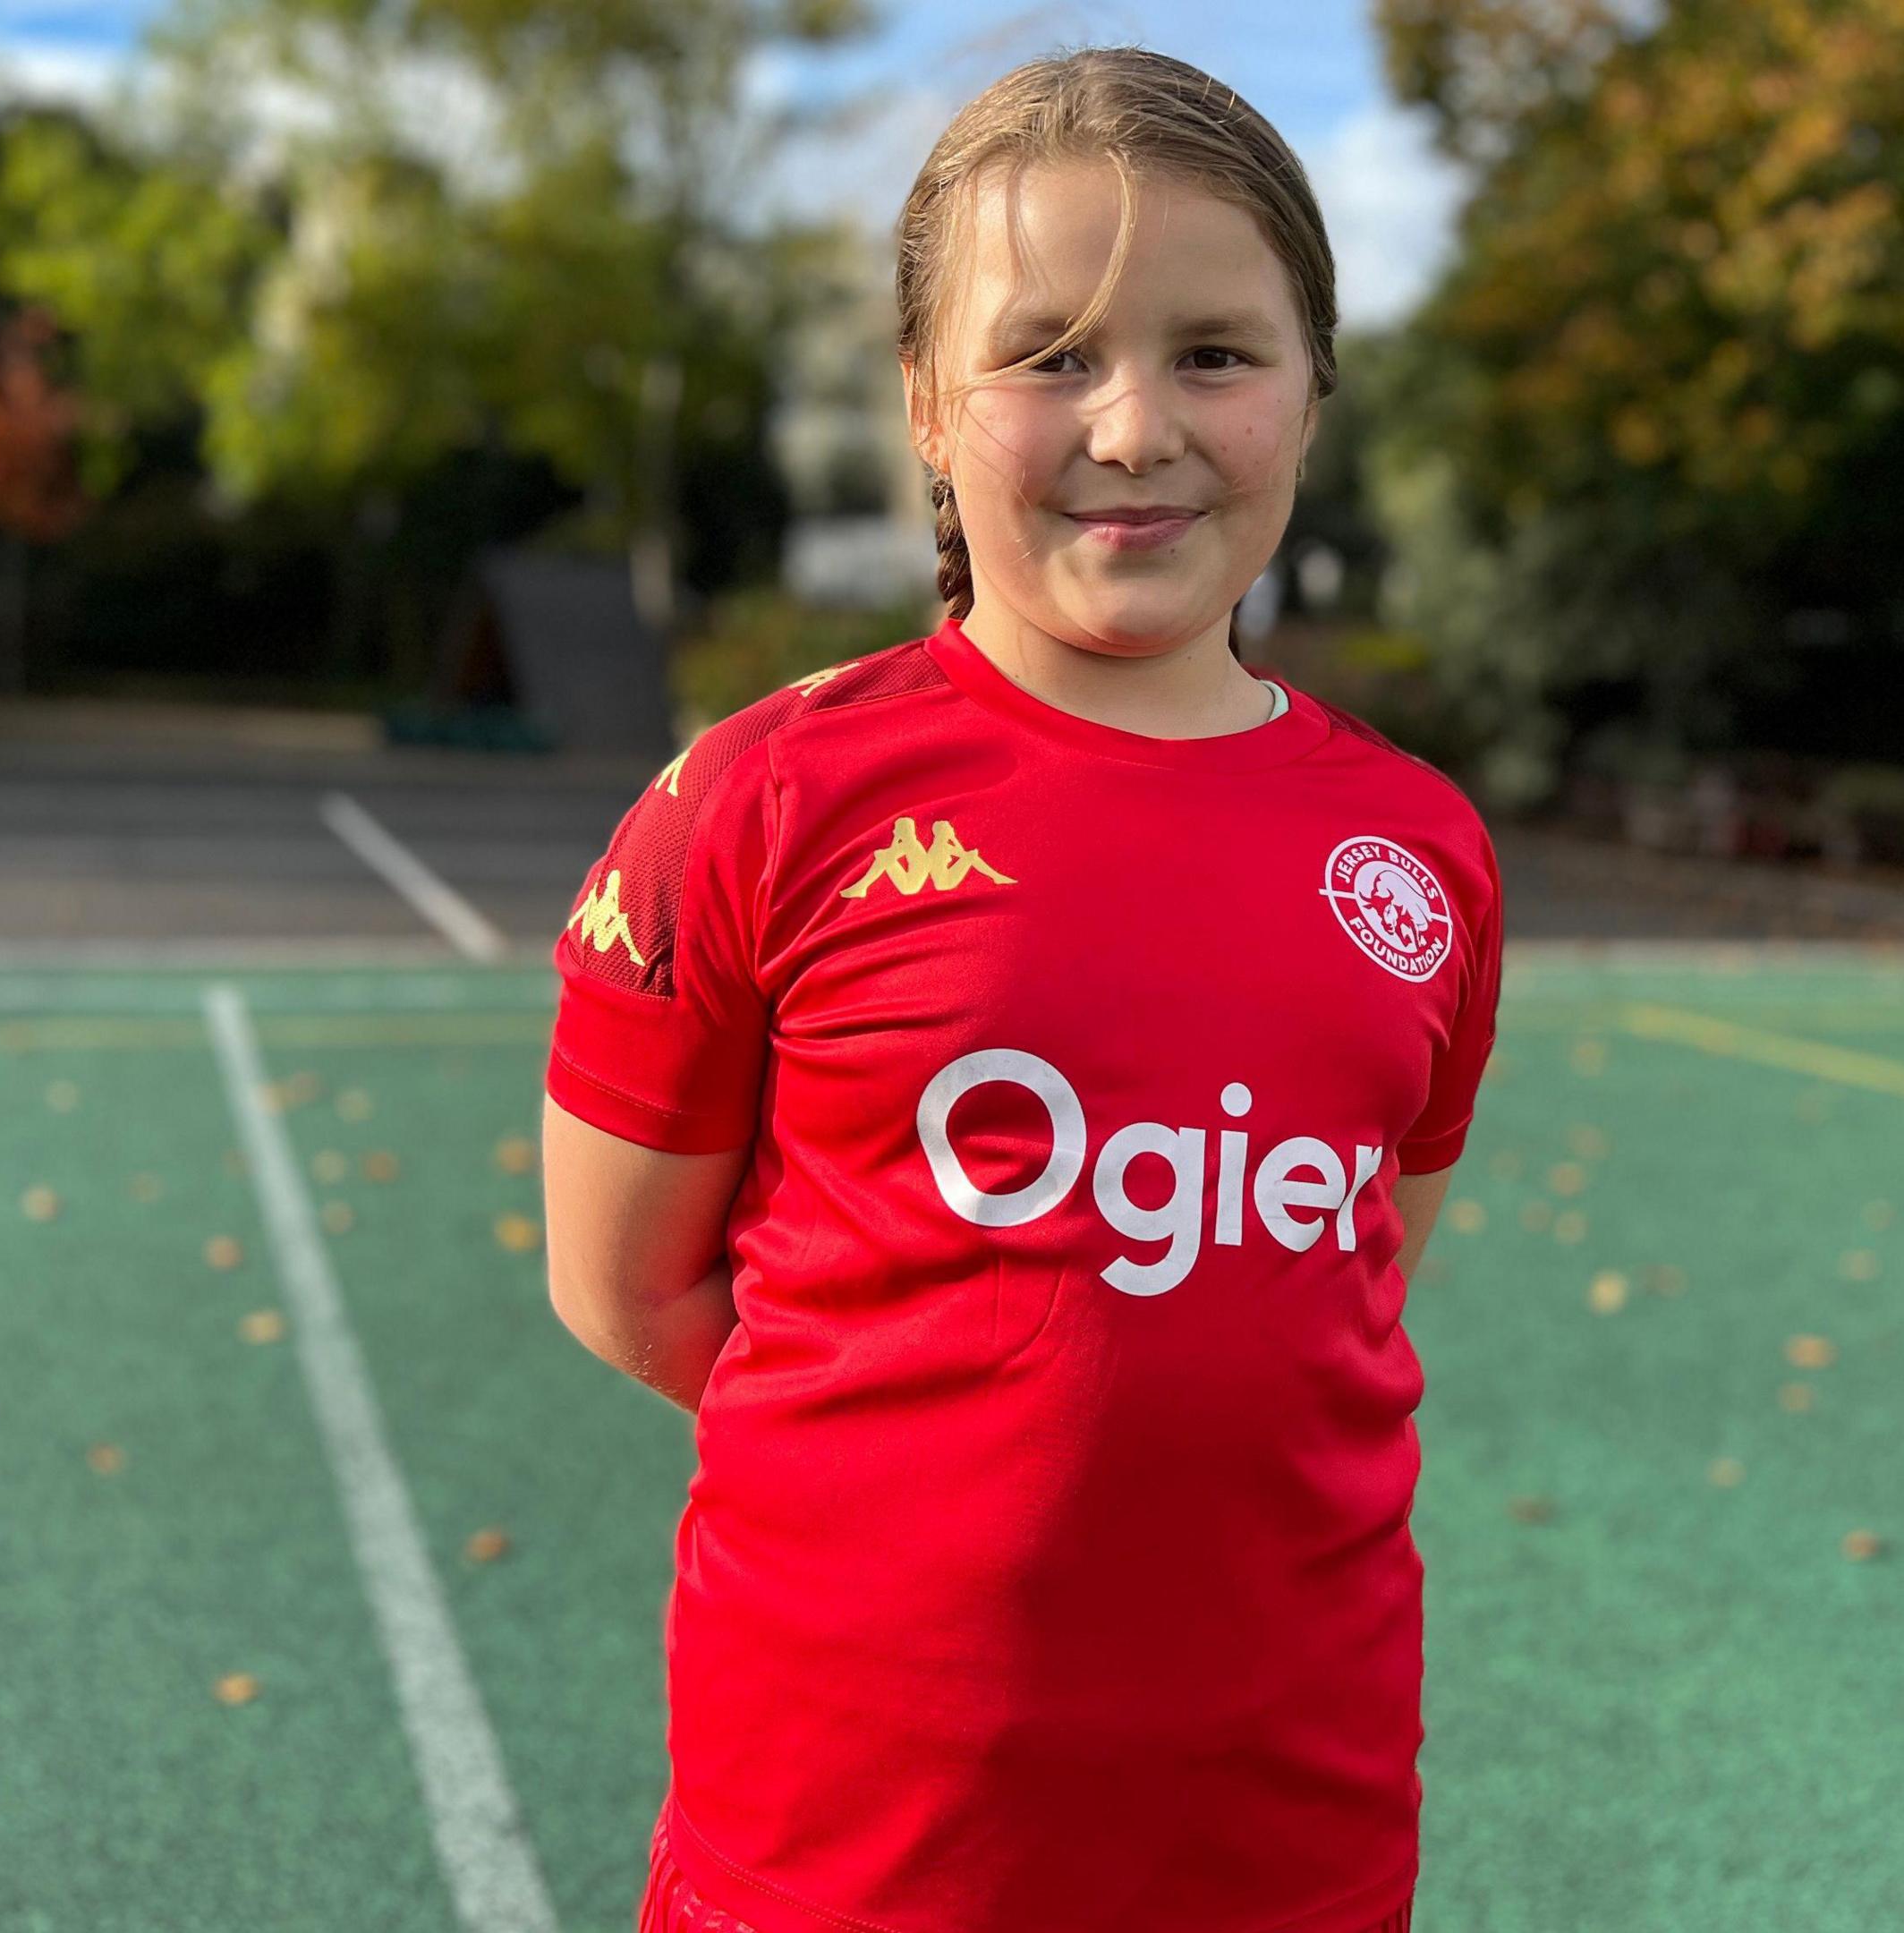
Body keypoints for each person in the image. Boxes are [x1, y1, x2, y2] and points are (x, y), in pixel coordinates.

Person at [540, 46, 1503, 1933]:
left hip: (1281, 1843)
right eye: (1050, 353)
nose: (1135, 426)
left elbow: (1359, 1274)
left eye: (1216, 352)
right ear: (923, 401)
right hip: (848, 1848)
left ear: (1314, 386)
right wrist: (908, 1495)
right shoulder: (761, 801)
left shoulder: (1421, 851)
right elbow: (631, 1287)